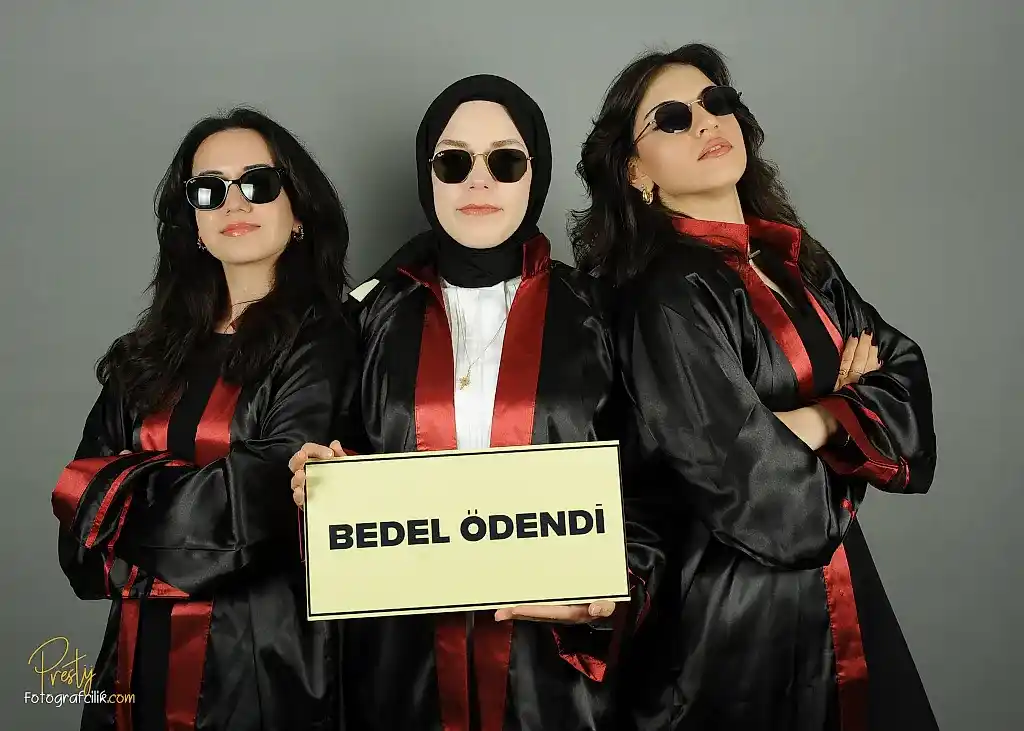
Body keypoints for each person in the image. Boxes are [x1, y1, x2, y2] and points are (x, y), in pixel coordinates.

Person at [569, 43, 938, 731]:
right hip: (734, 622)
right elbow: (749, 482)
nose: (707, 121)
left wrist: (810, 420)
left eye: (717, 102)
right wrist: (846, 412)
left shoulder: (797, 260)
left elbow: (905, 376)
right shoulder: (666, 296)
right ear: (635, 171)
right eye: (672, 118)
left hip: (845, 596)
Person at [288, 74, 662, 731]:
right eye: (453, 162)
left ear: (535, 175)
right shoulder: (370, 319)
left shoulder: (600, 313)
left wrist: (615, 587)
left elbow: (656, 485)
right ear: (427, 176)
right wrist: (316, 484)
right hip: (403, 679)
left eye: (506, 161)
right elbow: (336, 482)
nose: (478, 182)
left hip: (557, 685)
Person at [51, 107, 359, 731]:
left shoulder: (330, 341)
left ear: (299, 210)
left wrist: (123, 492)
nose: (233, 203)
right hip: (132, 665)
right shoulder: (146, 354)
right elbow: (75, 534)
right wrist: (189, 505)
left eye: (258, 183)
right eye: (209, 190)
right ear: (192, 221)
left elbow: (256, 510)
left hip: (262, 665)